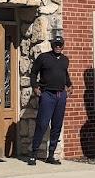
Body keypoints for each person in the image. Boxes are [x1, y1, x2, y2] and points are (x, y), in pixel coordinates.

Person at [28, 36, 71, 165]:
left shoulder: (65, 60)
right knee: (42, 124)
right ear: (52, 45)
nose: (58, 46)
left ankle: (51, 155)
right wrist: (35, 87)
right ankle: (33, 154)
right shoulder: (43, 58)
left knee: (57, 125)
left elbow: (65, 74)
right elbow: (33, 73)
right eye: (56, 44)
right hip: (47, 95)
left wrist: (70, 85)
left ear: (63, 46)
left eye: (60, 44)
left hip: (61, 96)